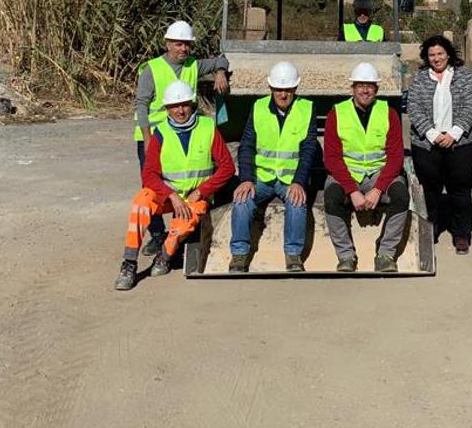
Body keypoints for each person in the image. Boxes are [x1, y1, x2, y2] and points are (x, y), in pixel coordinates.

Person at [114, 81, 235, 290]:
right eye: (174, 106)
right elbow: (149, 174)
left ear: (192, 104)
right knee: (140, 202)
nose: (180, 110)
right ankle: (129, 263)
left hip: (194, 197)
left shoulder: (207, 128)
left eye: (185, 104)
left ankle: (164, 255)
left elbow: (227, 167)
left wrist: (202, 190)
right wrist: (171, 195)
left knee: (187, 220)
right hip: (168, 196)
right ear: (167, 108)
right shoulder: (160, 133)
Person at [132, 20, 229, 254]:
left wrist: (220, 72)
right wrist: (146, 138)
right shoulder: (152, 69)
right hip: (155, 136)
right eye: (178, 44)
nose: (183, 49)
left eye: (187, 45)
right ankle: (157, 235)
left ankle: (181, 230)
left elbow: (221, 59)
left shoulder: (193, 65)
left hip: (182, 134)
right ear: (167, 44)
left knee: (183, 183)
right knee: (152, 188)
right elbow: (141, 104)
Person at [229, 61, 319, 273]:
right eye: (279, 89)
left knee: (297, 203)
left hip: (289, 179)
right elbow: (247, 146)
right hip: (262, 177)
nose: (283, 94)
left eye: (288, 89)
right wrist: (246, 179)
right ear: (270, 88)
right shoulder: (258, 107)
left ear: (296, 89)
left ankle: (293, 255)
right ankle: (239, 254)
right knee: (242, 200)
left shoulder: (307, 109)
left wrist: (298, 182)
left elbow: (308, 151)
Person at [322, 62, 408, 272]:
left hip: (378, 174)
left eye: (370, 85)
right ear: (352, 88)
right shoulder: (337, 113)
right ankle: (346, 255)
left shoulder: (388, 113)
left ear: (377, 89)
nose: (365, 90)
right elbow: (332, 158)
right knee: (332, 196)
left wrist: (378, 189)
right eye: (360, 85)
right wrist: (352, 191)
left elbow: (396, 156)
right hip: (346, 174)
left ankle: (386, 254)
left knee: (400, 195)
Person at [407, 35, 472, 254]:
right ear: (426, 57)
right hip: (427, 143)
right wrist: (432, 134)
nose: (436, 58)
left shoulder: (463, 75)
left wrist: (454, 133)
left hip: (460, 143)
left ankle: (461, 233)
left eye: (440, 53)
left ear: (448, 54)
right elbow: (414, 106)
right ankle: (431, 229)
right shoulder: (420, 78)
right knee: (430, 189)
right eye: (432, 55)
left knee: (460, 190)